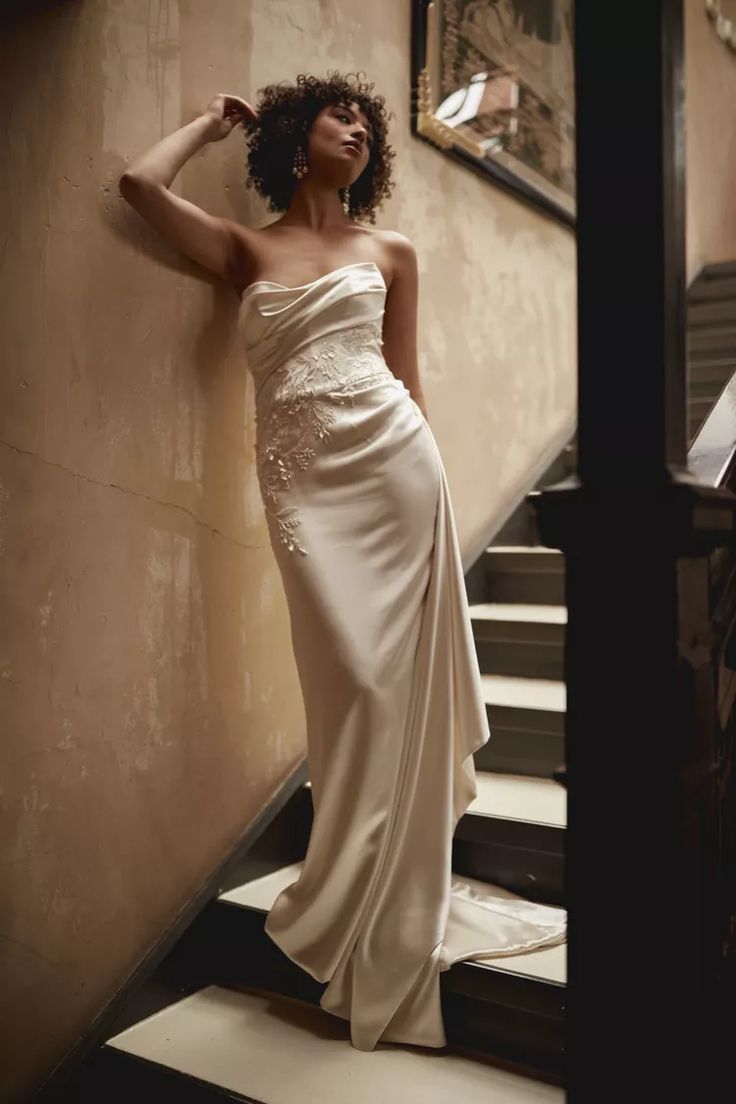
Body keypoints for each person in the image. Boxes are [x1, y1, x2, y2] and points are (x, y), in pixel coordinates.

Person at [120, 70, 565, 1053]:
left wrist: (434, 491)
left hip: (398, 470)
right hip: (303, 491)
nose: (357, 126)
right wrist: (202, 124)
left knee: (393, 688)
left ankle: (389, 892)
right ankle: (356, 880)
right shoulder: (247, 246)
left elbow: (406, 381)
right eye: (338, 112)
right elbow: (140, 191)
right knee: (353, 685)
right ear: (293, 132)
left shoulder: (391, 250)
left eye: (366, 118)